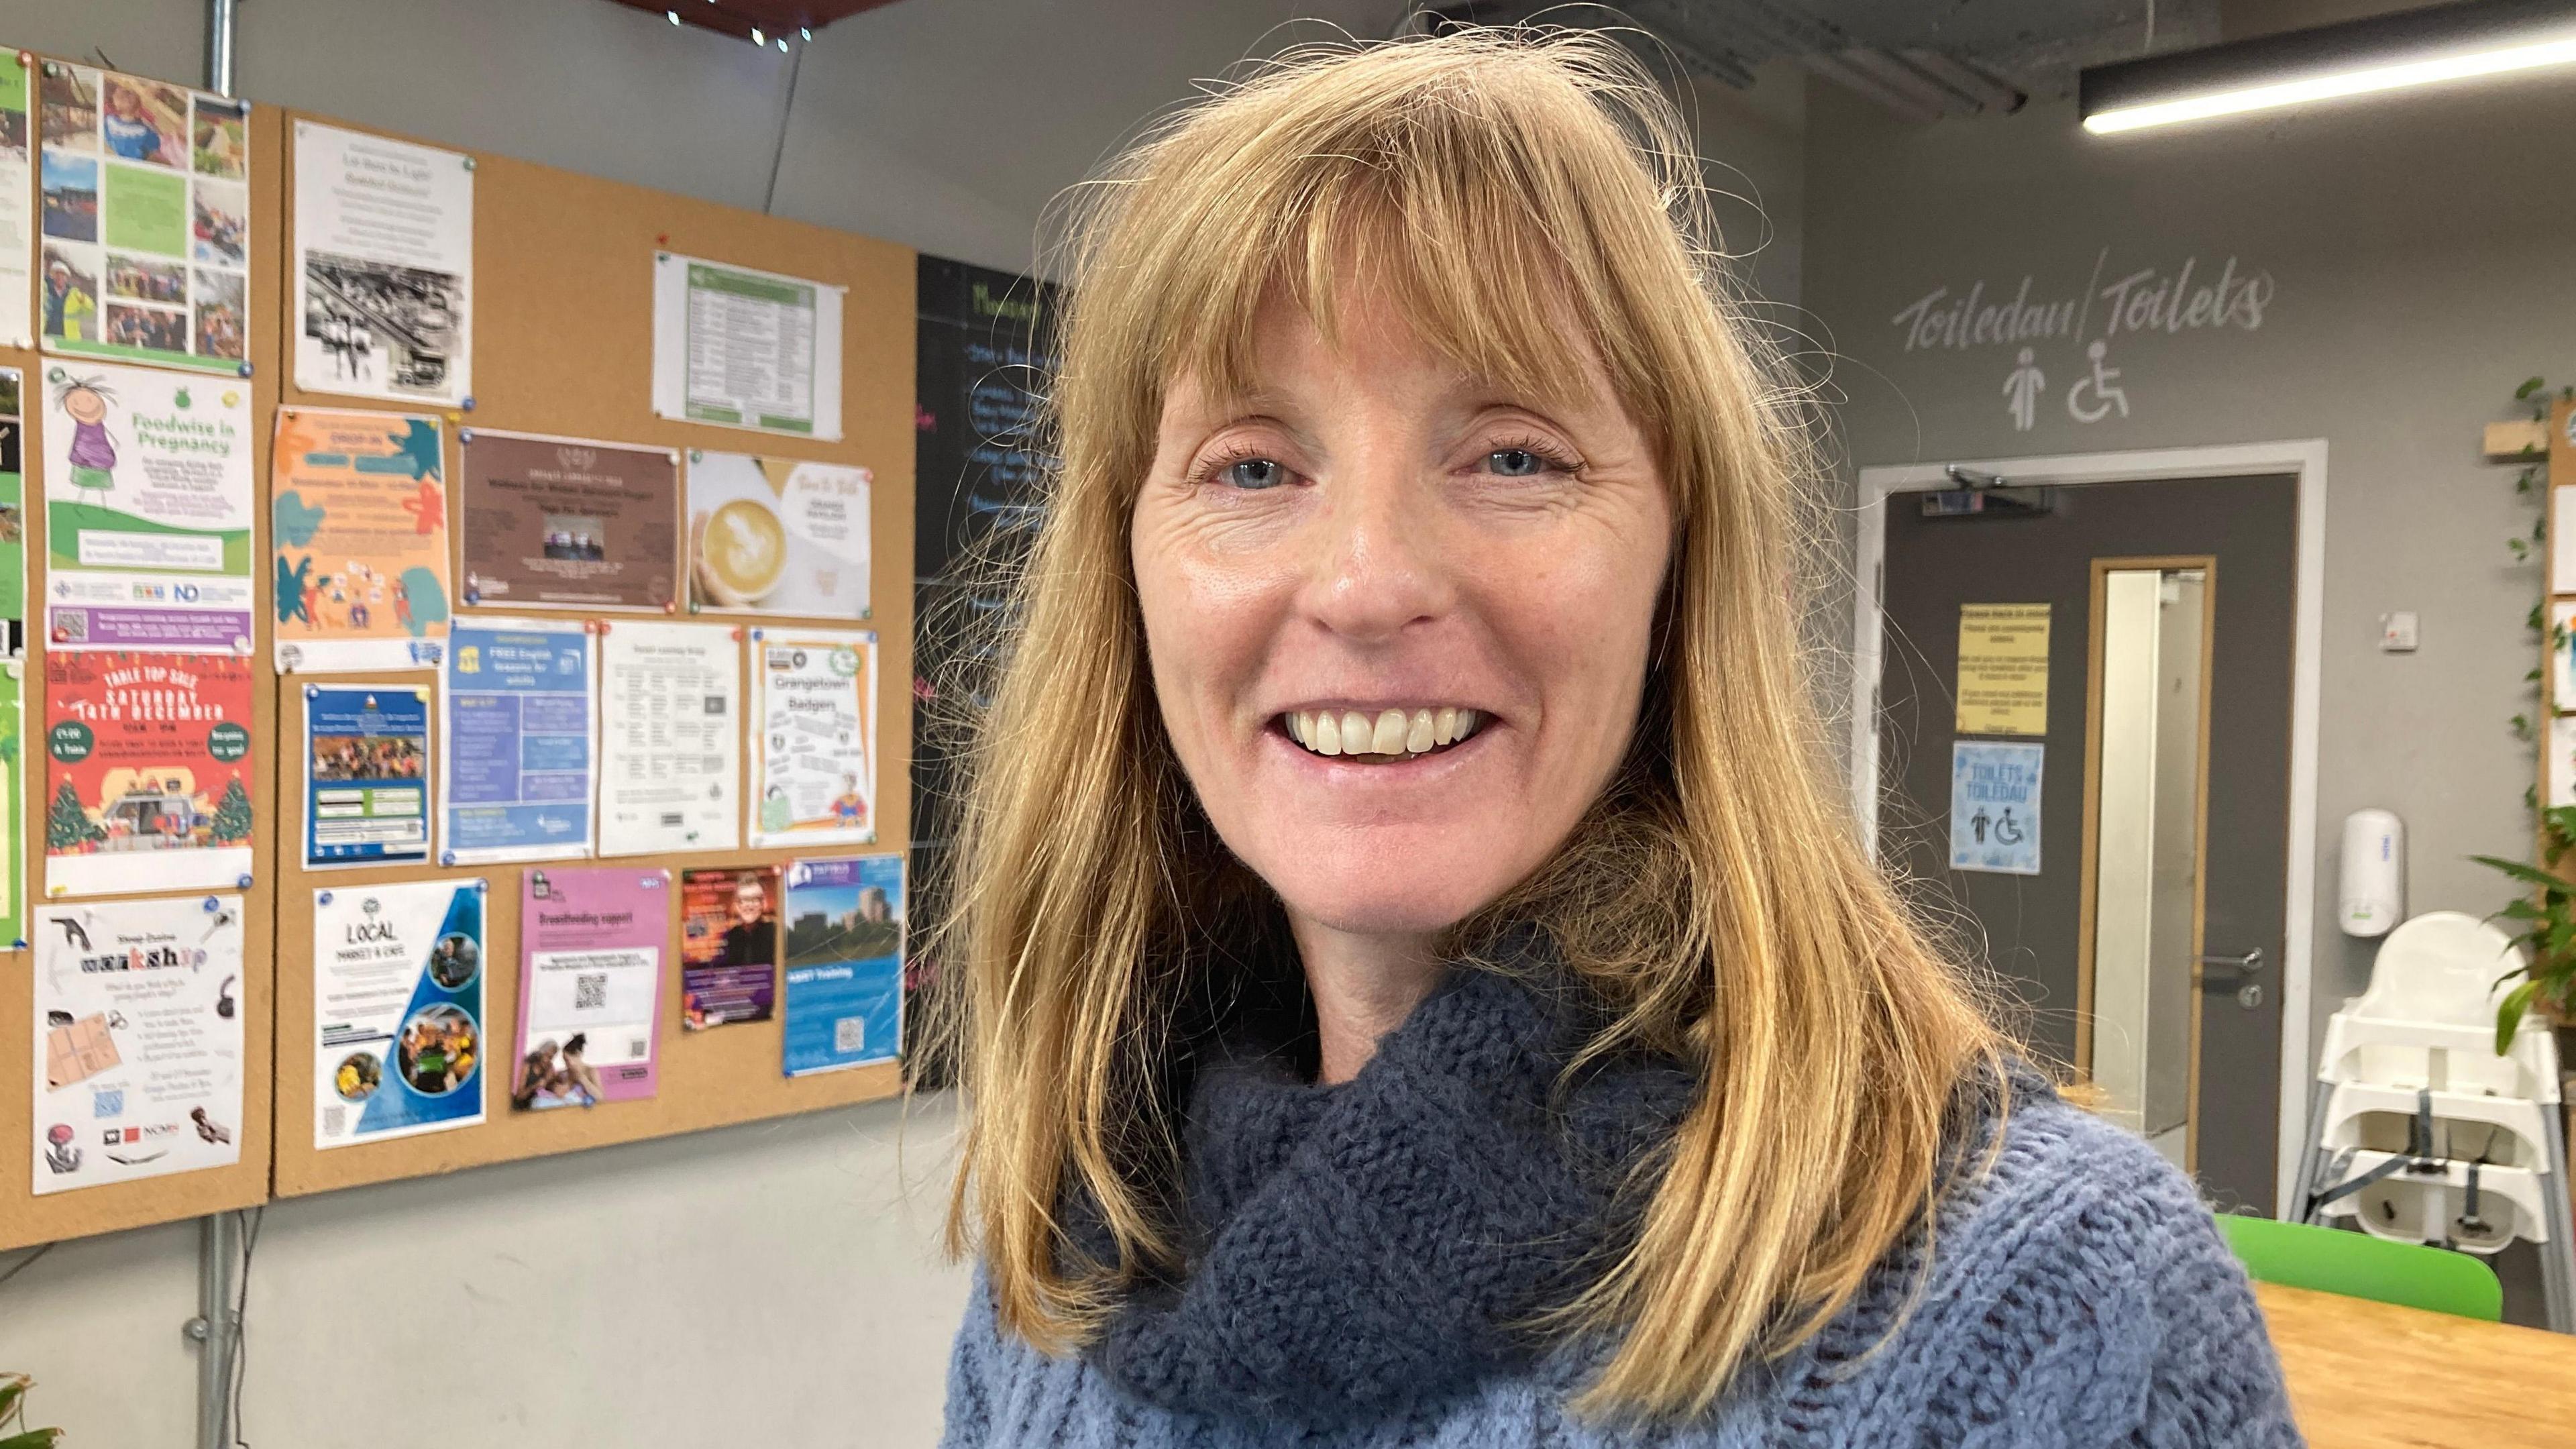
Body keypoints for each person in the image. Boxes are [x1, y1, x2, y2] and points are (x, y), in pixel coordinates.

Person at [933, 31, 2298, 1449]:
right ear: (1129, 580)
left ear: (1675, 581)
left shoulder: (2056, 1305)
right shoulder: (1071, 1251)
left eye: (1514, 456)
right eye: (1254, 465)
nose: (1365, 584)